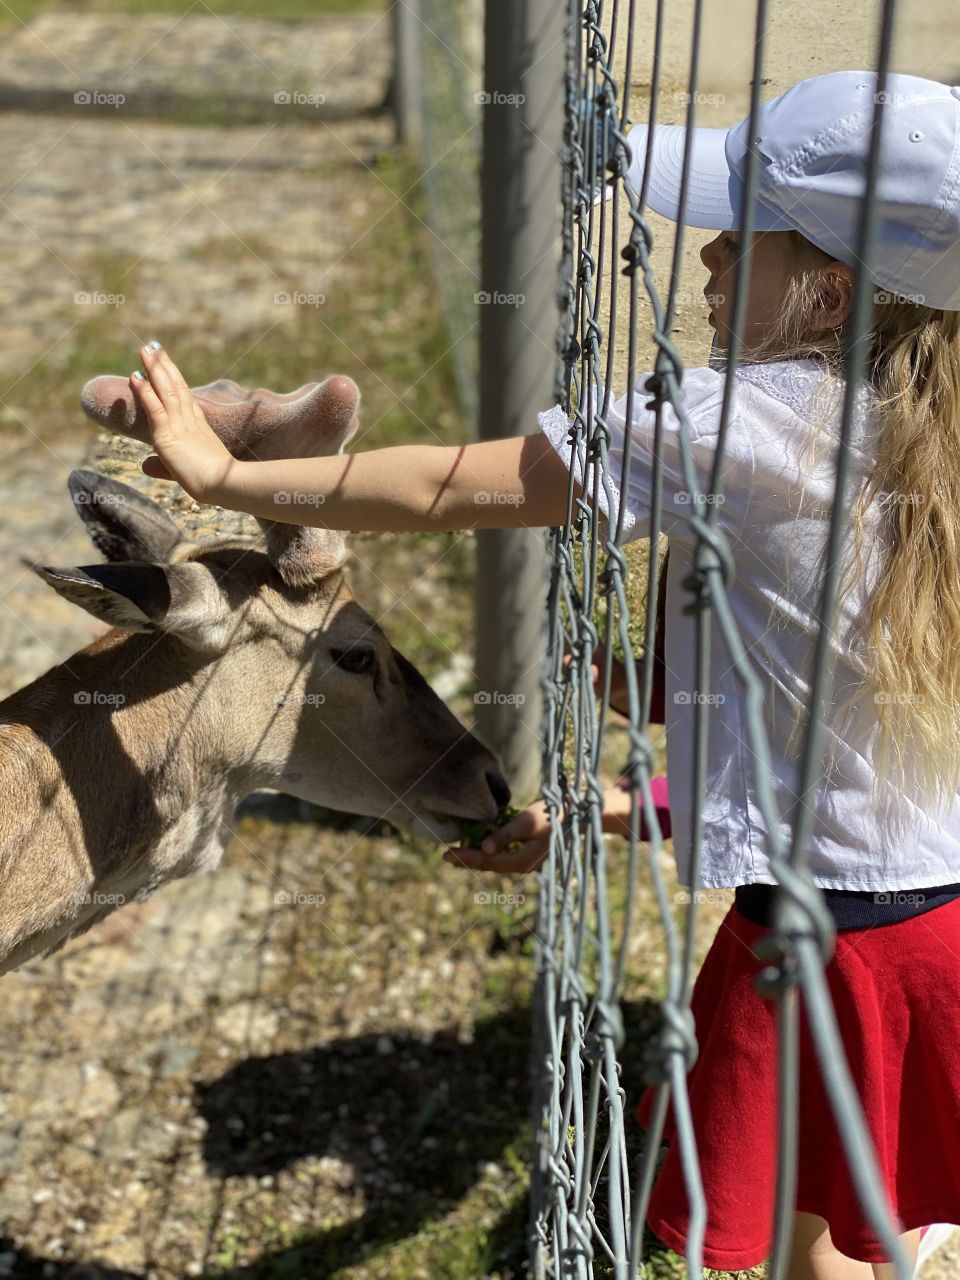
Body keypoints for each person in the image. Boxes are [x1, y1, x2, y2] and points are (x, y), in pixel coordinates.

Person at [123, 68, 960, 1279]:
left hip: (829, 941)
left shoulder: (740, 422)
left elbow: (450, 484)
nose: (706, 254)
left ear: (829, 292)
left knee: (812, 1228)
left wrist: (226, 478)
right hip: (935, 917)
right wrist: (627, 793)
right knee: (858, 1207)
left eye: (742, 237)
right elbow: (840, 707)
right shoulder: (931, 429)